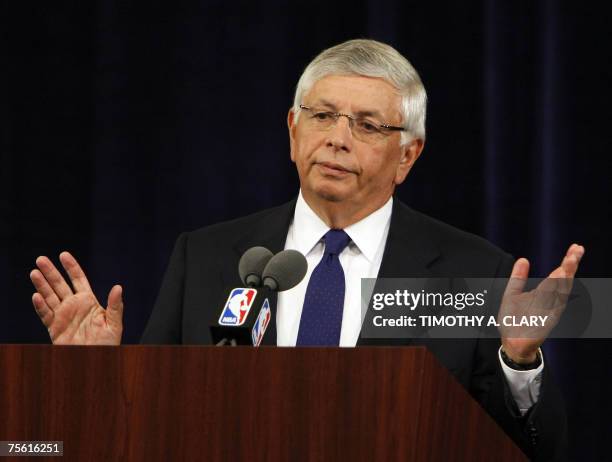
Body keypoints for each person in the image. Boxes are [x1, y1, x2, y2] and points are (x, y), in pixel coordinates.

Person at [29, 39, 583, 461]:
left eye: (367, 125)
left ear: (407, 156)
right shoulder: (209, 256)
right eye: (322, 116)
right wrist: (96, 380)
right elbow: (146, 431)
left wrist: (518, 361)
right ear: (294, 131)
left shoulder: (473, 271)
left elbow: (535, 450)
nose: (337, 138)